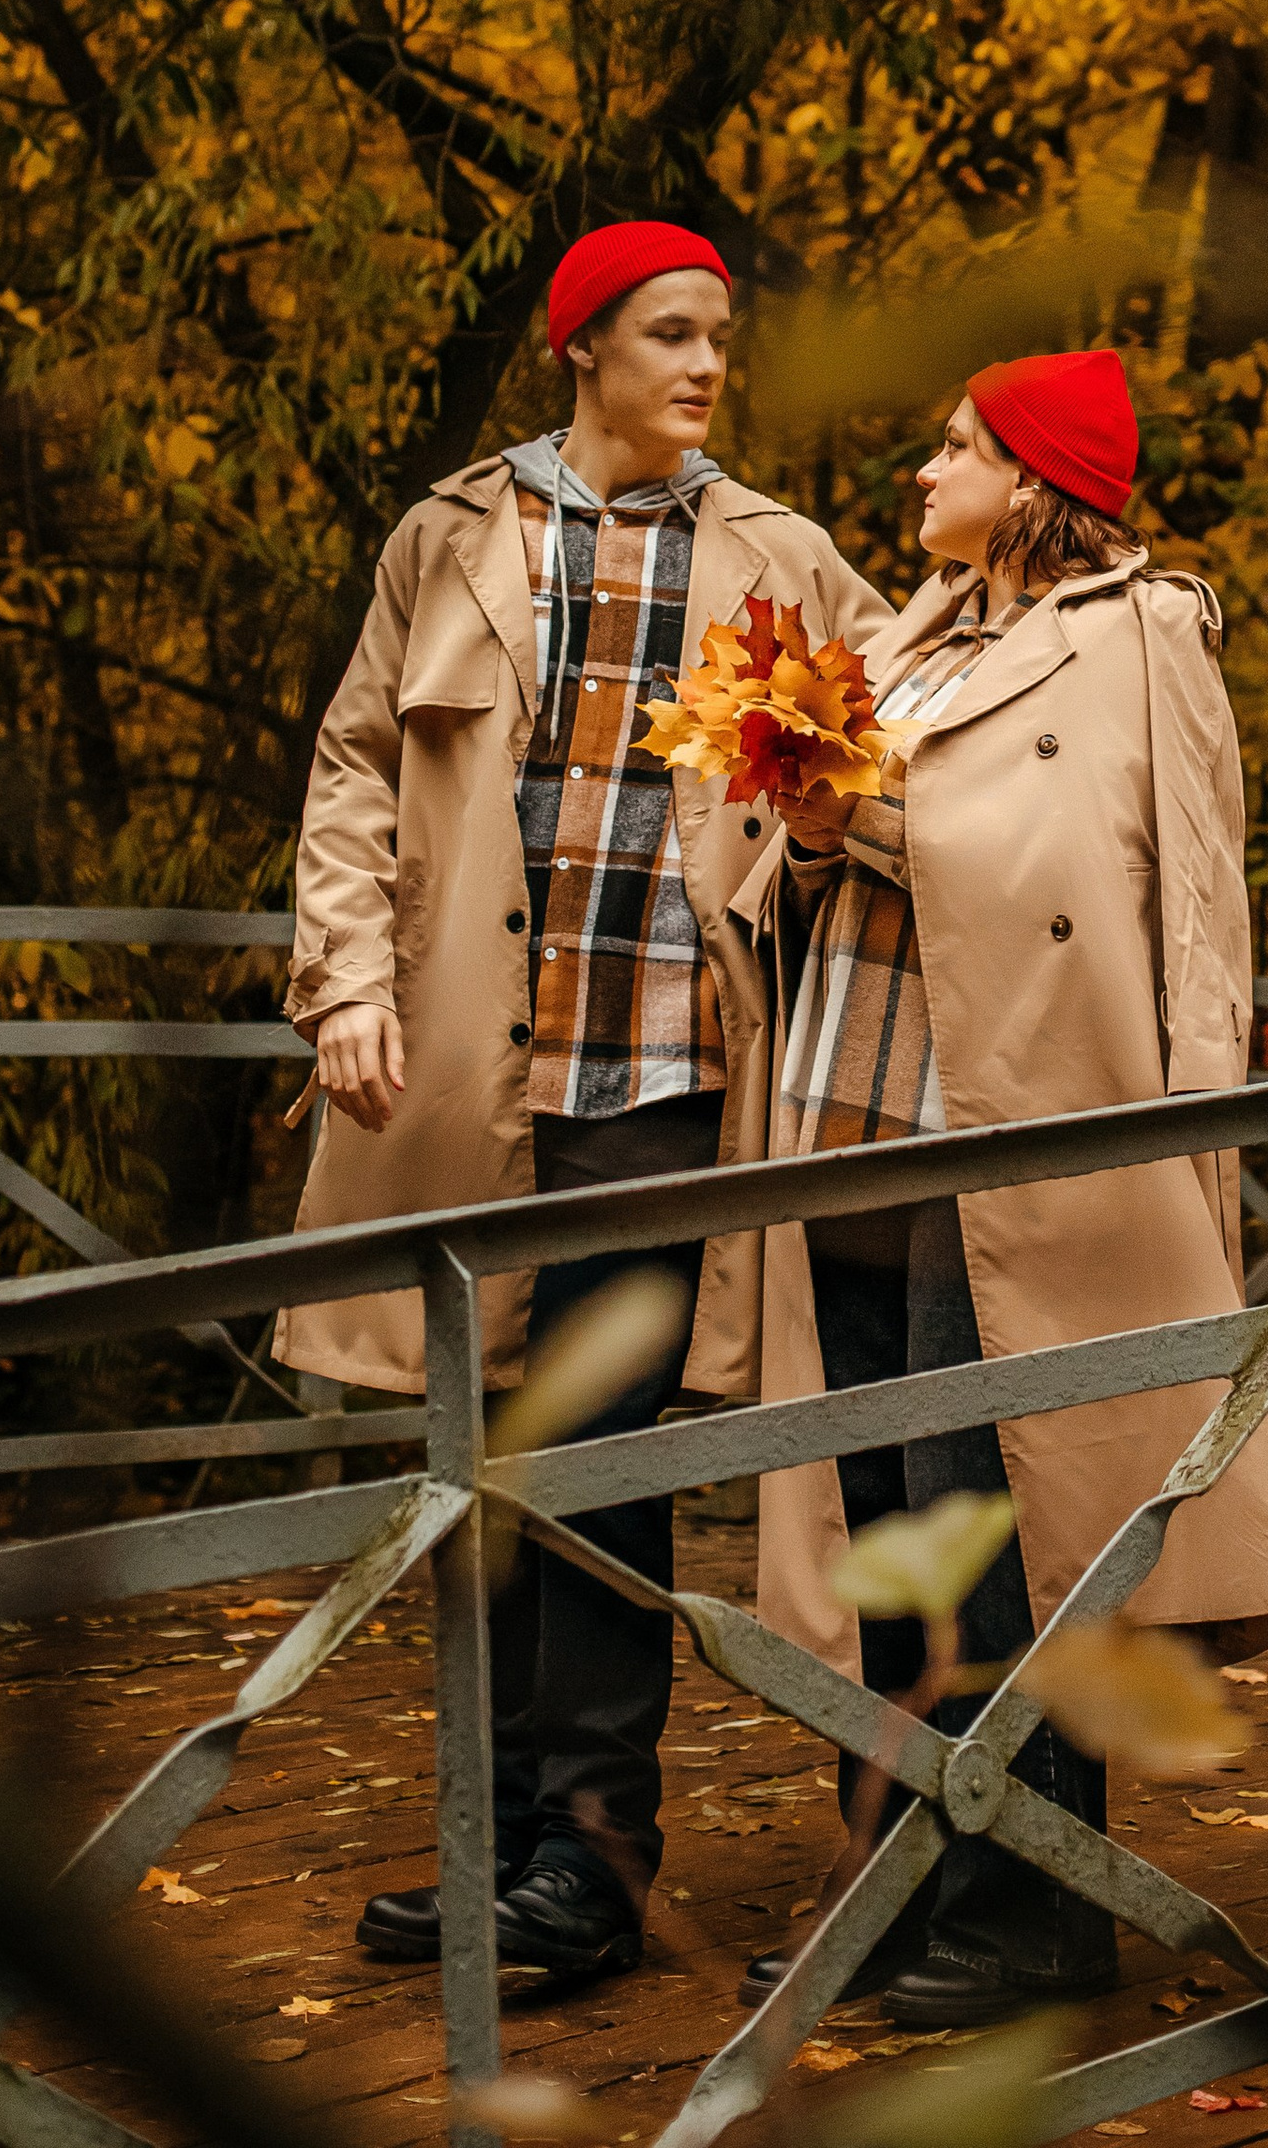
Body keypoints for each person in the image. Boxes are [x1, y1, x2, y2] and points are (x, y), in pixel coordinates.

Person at [275, 220, 886, 1989]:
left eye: (720, 338)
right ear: (583, 348)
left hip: (672, 1077)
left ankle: (593, 1872)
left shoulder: (779, 554)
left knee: (605, 1473)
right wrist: (348, 983)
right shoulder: (454, 540)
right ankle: (498, 1849)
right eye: (671, 335)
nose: (706, 366)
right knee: (474, 1473)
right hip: (474, 1075)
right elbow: (353, 771)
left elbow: (900, 729)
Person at [732, 348, 1268, 2029]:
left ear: (1037, 477)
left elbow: (1180, 898)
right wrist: (813, 832)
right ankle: (900, 1894)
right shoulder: (913, 629)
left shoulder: (1145, 637)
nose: (925, 469)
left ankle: (1035, 1915)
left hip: (1010, 1138)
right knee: (891, 1535)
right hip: (851, 1109)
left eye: (959, 446)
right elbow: (813, 848)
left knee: (1004, 1529)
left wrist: (1195, 1139)